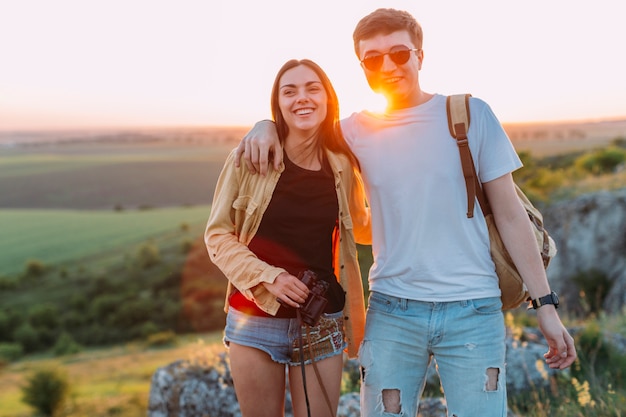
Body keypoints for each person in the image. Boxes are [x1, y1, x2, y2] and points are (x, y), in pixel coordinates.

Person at [233, 7, 577, 417]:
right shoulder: (352, 131)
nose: (388, 66)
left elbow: (510, 215)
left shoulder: (469, 115)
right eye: (373, 58)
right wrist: (264, 125)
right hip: (393, 310)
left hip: (474, 309)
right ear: (362, 65)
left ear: (420, 56)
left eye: (399, 53)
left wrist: (546, 308)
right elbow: (301, 128)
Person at [204, 58, 371, 417]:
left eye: (313, 89)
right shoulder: (248, 157)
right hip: (254, 318)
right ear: (277, 103)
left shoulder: (342, 162)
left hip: (321, 318)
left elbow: (364, 226)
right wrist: (271, 277)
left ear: (328, 99)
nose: (302, 98)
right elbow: (218, 237)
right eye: (289, 91)